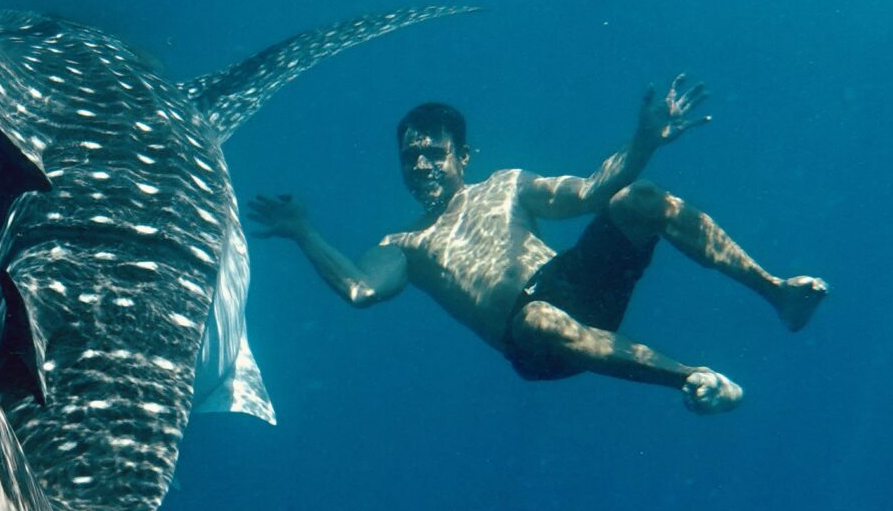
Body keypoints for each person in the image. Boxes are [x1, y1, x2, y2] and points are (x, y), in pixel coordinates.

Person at [244, 80, 825, 415]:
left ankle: (775, 292)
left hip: (578, 286)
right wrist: (302, 229)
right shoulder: (404, 244)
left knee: (642, 199)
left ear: (462, 157)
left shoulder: (507, 186)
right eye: (409, 156)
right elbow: (360, 289)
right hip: (532, 343)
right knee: (540, 318)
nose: (420, 164)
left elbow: (594, 190)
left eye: (433, 152)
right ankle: (695, 380)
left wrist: (643, 142)